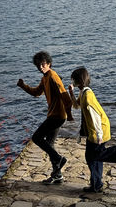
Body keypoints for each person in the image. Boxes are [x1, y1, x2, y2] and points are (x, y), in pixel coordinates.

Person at [68, 67, 116, 194]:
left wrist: (99, 135)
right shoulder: (83, 93)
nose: (72, 81)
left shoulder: (88, 95)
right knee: (95, 158)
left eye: (73, 79)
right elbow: (77, 106)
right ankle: (96, 185)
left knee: (92, 157)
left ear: (79, 81)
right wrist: (71, 93)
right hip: (94, 131)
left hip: (98, 130)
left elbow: (95, 116)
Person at [17, 51, 74, 184]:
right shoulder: (45, 78)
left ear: (49, 64)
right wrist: (23, 86)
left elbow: (65, 96)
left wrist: (69, 115)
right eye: (38, 65)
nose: (40, 67)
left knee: (36, 138)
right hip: (54, 115)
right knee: (49, 144)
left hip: (57, 116)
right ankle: (57, 174)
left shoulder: (53, 77)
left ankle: (59, 159)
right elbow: (37, 93)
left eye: (43, 64)